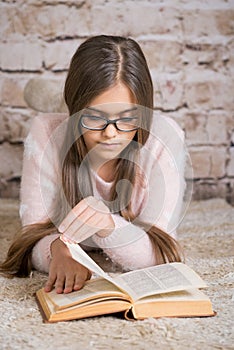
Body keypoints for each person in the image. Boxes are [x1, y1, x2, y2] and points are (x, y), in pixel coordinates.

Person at [0, 35, 187, 294]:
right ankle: (55, 99)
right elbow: (30, 237)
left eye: (127, 119)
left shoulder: (165, 137)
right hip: (63, 120)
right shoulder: (46, 131)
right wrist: (59, 251)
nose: (111, 134)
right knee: (54, 113)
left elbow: (163, 254)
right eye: (94, 118)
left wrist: (107, 224)